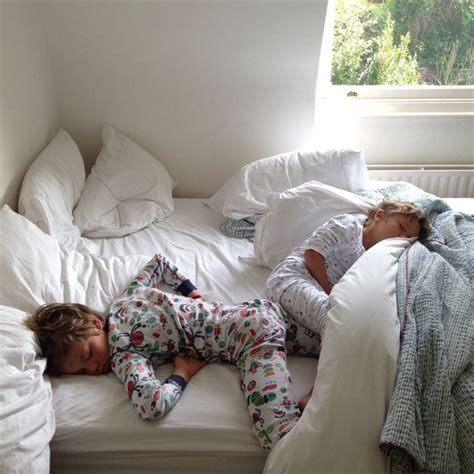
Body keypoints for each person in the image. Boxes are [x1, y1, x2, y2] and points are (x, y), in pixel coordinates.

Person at [26, 254, 320, 453]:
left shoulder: (124, 353)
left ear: (94, 323)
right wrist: (191, 292)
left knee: (277, 436)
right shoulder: (126, 298)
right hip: (257, 311)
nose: (93, 368)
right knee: (334, 341)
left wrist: (183, 373)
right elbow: (159, 262)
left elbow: (152, 405)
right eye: (81, 372)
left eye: (87, 354)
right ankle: (328, 381)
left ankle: (327, 408)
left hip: (250, 340)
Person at [265, 199, 431, 409]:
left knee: (355, 339)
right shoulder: (350, 226)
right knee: (335, 319)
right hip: (293, 278)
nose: (402, 238)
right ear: (379, 216)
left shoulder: (377, 258)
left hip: (309, 304)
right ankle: (315, 394)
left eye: (408, 238)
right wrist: (331, 294)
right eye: (401, 228)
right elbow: (312, 255)